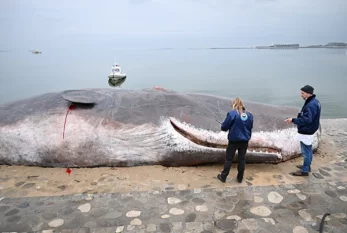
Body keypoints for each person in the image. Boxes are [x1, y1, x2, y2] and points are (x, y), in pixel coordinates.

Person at [285, 85, 321, 176]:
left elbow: (307, 120)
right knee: (308, 149)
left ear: (308, 93)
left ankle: (305, 171)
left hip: (307, 131)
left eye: (303, 93)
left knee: (306, 151)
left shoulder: (311, 105)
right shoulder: (315, 102)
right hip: (310, 129)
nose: (301, 95)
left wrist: (293, 120)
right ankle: (307, 166)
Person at [217, 98, 253, 183]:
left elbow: (224, 127)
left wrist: (223, 125)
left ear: (234, 104)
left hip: (233, 141)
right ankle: (240, 178)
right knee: (242, 159)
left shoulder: (232, 114)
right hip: (245, 141)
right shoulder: (249, 115)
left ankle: (223, 177)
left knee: (229, 159)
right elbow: (250, 127)